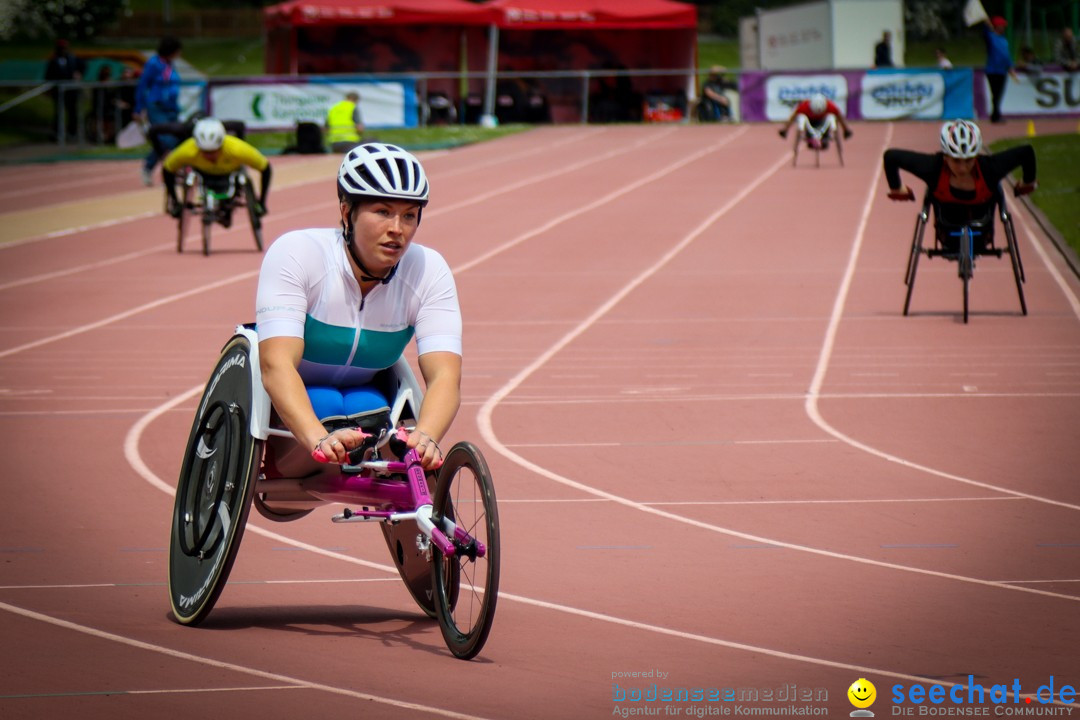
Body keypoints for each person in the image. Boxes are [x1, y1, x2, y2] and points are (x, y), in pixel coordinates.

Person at [255, 143, 459, 471]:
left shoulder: (429, 270)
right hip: (296, 399)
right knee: (328, 404)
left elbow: (446, 377)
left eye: (409, 215)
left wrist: (427, 436)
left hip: (369, 399)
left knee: (409, 457)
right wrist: (316, 437)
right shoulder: (297, 253)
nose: (398, 229)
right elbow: (275, 365)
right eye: (382, 212)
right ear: (347, 211)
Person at [882, 119, 1036, 240]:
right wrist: (897, 189)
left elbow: (1027, 152)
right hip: (947, 231)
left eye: (969, 160)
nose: (962, 168)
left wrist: (1026, 183)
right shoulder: (933, 167)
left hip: (982, 230)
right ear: (945, 156)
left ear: (976, 156)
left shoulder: (989, 168)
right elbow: (890, 156)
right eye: (956, 160)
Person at [161, 117, 272, 224]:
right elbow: (167, 169)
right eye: (205, 152)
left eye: (214, 151)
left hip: (229, 174)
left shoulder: (237, 149)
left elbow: (265, 168)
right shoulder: (188, 150)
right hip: (204, 174)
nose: (210, 156)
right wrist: (175, 200)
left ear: (221, 145)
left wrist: (262, 202)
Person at [135, 36, 183, 185]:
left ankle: (169, 171)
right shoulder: (154, 64)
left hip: (171, 108)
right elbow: (143, 85)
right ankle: (154, 168)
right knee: (165, 139)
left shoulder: (170, 64)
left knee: (177, 139)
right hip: (157, 106)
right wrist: (138, 108)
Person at [778, 93, 853, 150]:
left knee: (830, 118)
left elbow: (839, 116)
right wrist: (785, 129)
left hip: (823, 122)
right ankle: (810, 139)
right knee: (803, 119)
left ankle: (824, 138)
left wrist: (846, 129)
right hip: (810, 122)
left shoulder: (830, 106)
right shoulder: (804, 106)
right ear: (810, 107)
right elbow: (793, 116)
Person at [44, 39, 84, 141]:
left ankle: (72, 133)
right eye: (61, 48)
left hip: (71, 91)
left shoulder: (72, 59)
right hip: (59, 92)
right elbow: (48, 75)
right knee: (59, 113)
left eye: (64, 48)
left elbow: (83, 66)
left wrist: (79, 73)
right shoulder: (54, 60)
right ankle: (58, 133)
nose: (63, 50)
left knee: (72, 112)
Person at [982, 17, 1017, 124]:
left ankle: (996, 114)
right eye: (1002, 26)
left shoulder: (1003, 40)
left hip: (1002, 71)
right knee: (995, 94)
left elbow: (1006, 56)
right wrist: (987, 24)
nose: (1003, 28)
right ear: (997, 26)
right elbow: (985, 33)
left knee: (999, 94)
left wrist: (1010, 67)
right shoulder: (991, 38)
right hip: (992, 70)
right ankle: (995, 115)